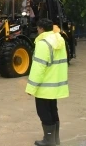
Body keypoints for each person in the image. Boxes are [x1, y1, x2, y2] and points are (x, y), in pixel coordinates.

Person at [25, 18, 69, 146]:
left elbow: (38, 68)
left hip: (44, 87)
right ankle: (55, 139)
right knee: (53, 111)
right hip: (55, 86)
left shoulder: (43, 44)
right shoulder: (59, 41)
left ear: (41, 29)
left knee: (44, 113)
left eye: (38, 28)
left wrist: (31, 88)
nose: (37, 30)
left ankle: (49, 141)